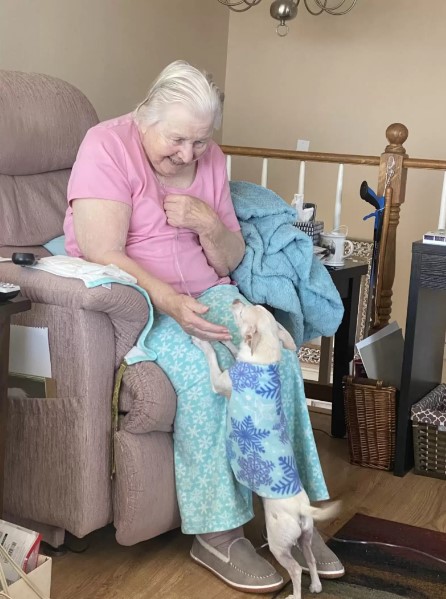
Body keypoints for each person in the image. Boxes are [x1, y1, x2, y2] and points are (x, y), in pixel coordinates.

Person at [63, 60, 344, 593]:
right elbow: (101, 250)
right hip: (141, 300)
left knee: (279, 362)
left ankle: (297, 513)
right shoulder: (106, 146)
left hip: (210, 294)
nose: (190, 154)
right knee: (206, 377)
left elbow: (227, 260)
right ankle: (218, 532)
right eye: (178, 140)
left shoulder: (209, 159)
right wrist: (168, 298)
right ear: (146, 116)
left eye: (201, 141)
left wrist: (207, 222)